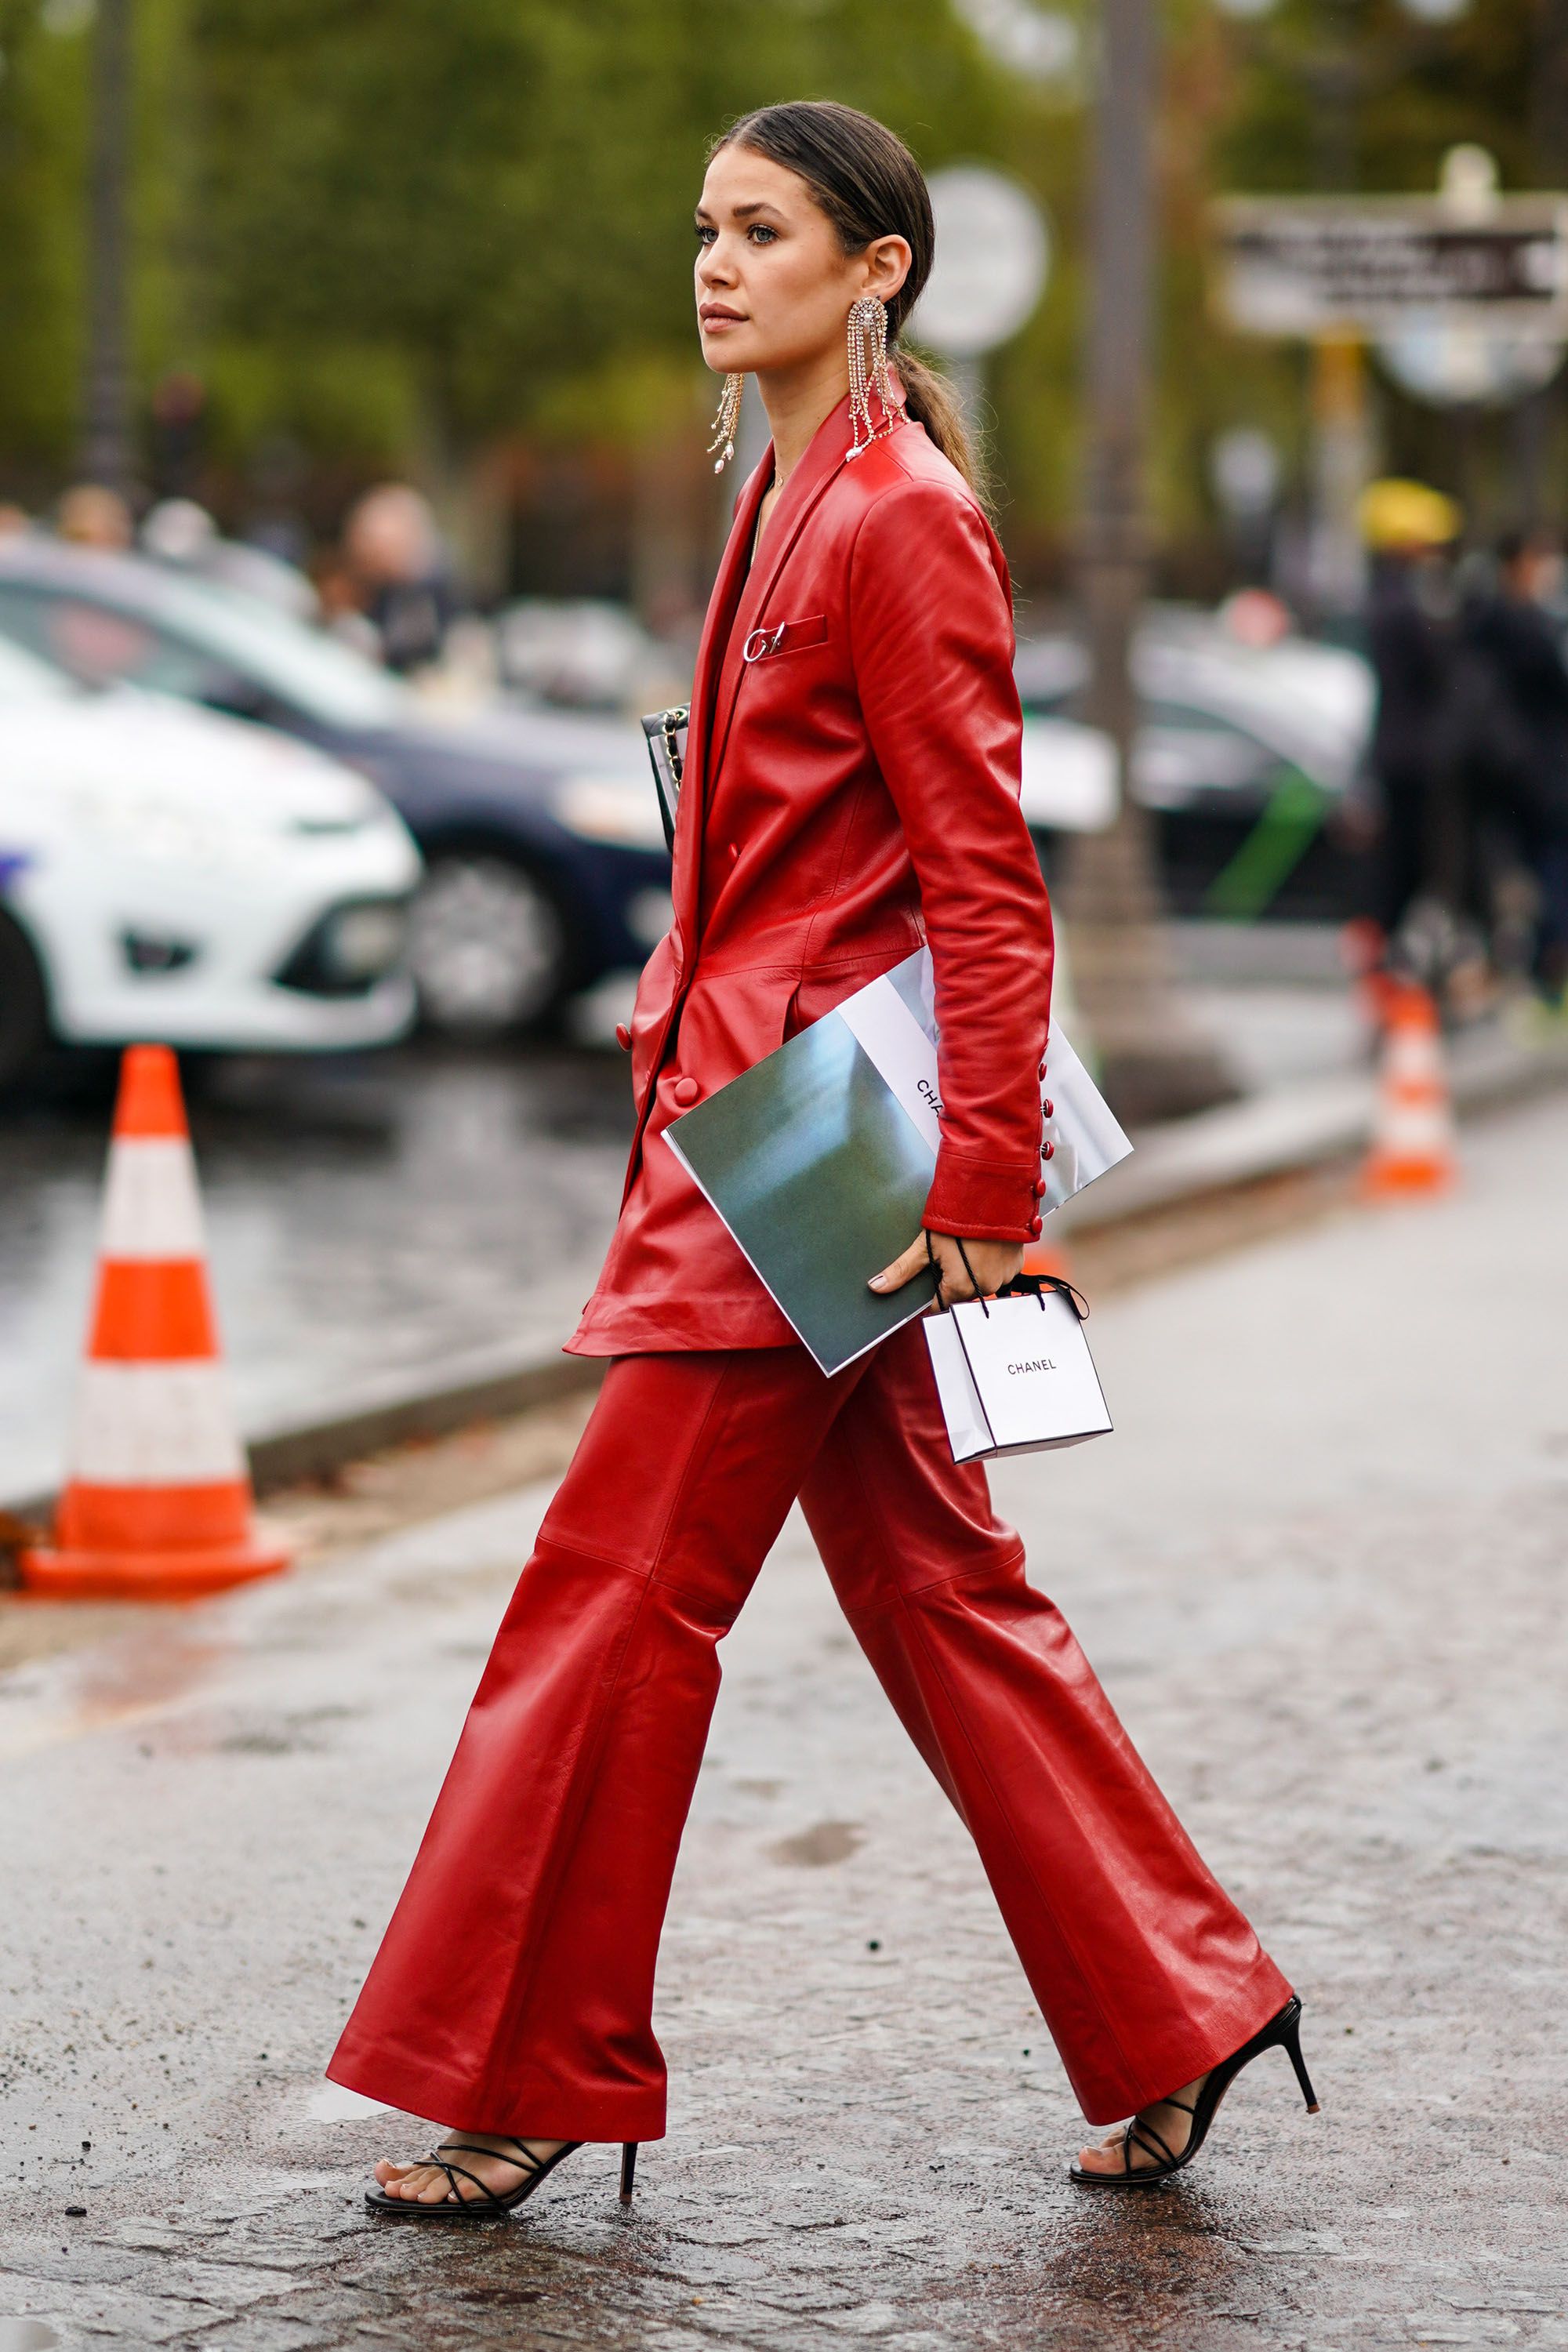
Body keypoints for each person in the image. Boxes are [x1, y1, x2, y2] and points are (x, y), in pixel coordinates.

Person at [327, 100, 1313, 2220]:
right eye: (702, 227)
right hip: (767, 1130)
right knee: (941, 1589)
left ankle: (521, 2065)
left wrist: (981, 1195)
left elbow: (985, 884)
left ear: (876, 268)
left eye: (762, 231)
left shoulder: (900, 516)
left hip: (823, 1171)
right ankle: (1184, 2002)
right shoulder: (789, 486)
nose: (713, 264)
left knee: (607, 1605)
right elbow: (793, 850)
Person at [1461, 529, 1568, 1004]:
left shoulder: (1487, 619)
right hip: (1534, 770)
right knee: (1548, 865)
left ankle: (1531, 961)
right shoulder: (1521, 624)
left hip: (1512, 767)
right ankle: (1550, 964)